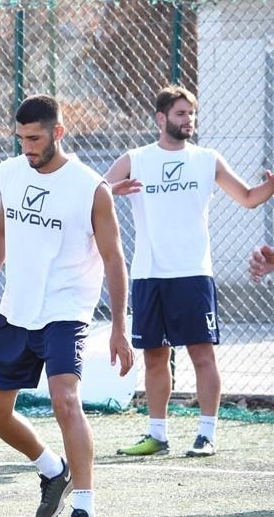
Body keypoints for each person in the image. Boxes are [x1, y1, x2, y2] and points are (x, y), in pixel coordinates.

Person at [0, 94, 133, 517]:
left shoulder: (90, 187)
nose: (26, 148)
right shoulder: (9, 172)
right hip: (16, 309)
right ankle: (53, 469)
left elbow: (115, 258)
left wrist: (119, 326)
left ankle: (85, 511)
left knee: (65, 400)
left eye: (34, 138)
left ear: (58, 132)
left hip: (65, 310)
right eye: (20, 139)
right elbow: (2, 230)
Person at [106, 85, 274, 458]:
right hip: (149, 274)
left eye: (192, 115)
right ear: (161, 118)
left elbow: (247, 197)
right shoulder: (136, 157)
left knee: (202, 355)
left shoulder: (206, 159)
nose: (188, 121)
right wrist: (113, 190)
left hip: (193, 273)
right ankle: (157, 435)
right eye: (181, 114)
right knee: (154, 356)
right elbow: (98, 191)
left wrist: (270, 187)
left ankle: (206, 433)